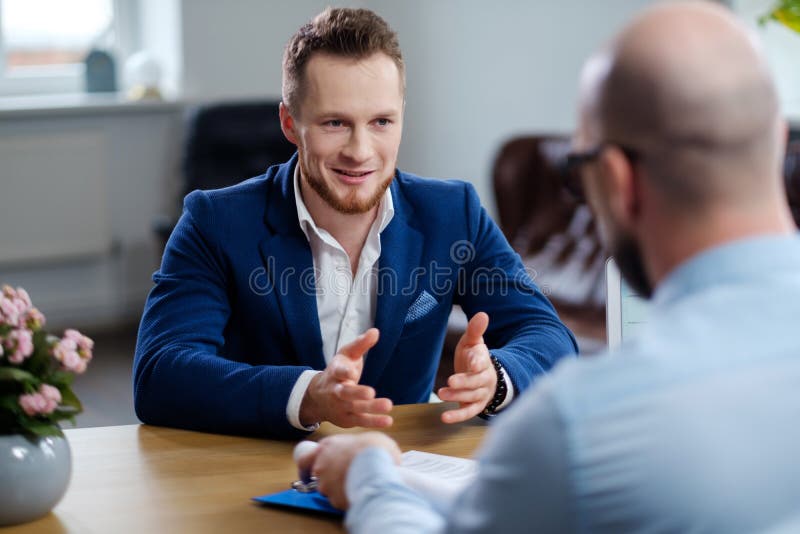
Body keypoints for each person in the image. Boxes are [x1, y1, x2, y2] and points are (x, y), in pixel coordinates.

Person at [299, 2, 800, 532]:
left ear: (614, 179)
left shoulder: (582, 430)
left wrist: (371, 475)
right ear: (774, 142)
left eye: (576, 170)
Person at [133, 7, 577, 439]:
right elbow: (161, 370)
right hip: (255, 477)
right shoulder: (215, 221)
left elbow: (548, 336)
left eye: (381, 121)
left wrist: (495, 379)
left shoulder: (452, 213)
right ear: (290, 122)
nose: (360, 150)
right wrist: (306, 395)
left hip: (401, 471)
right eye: (335, 123)